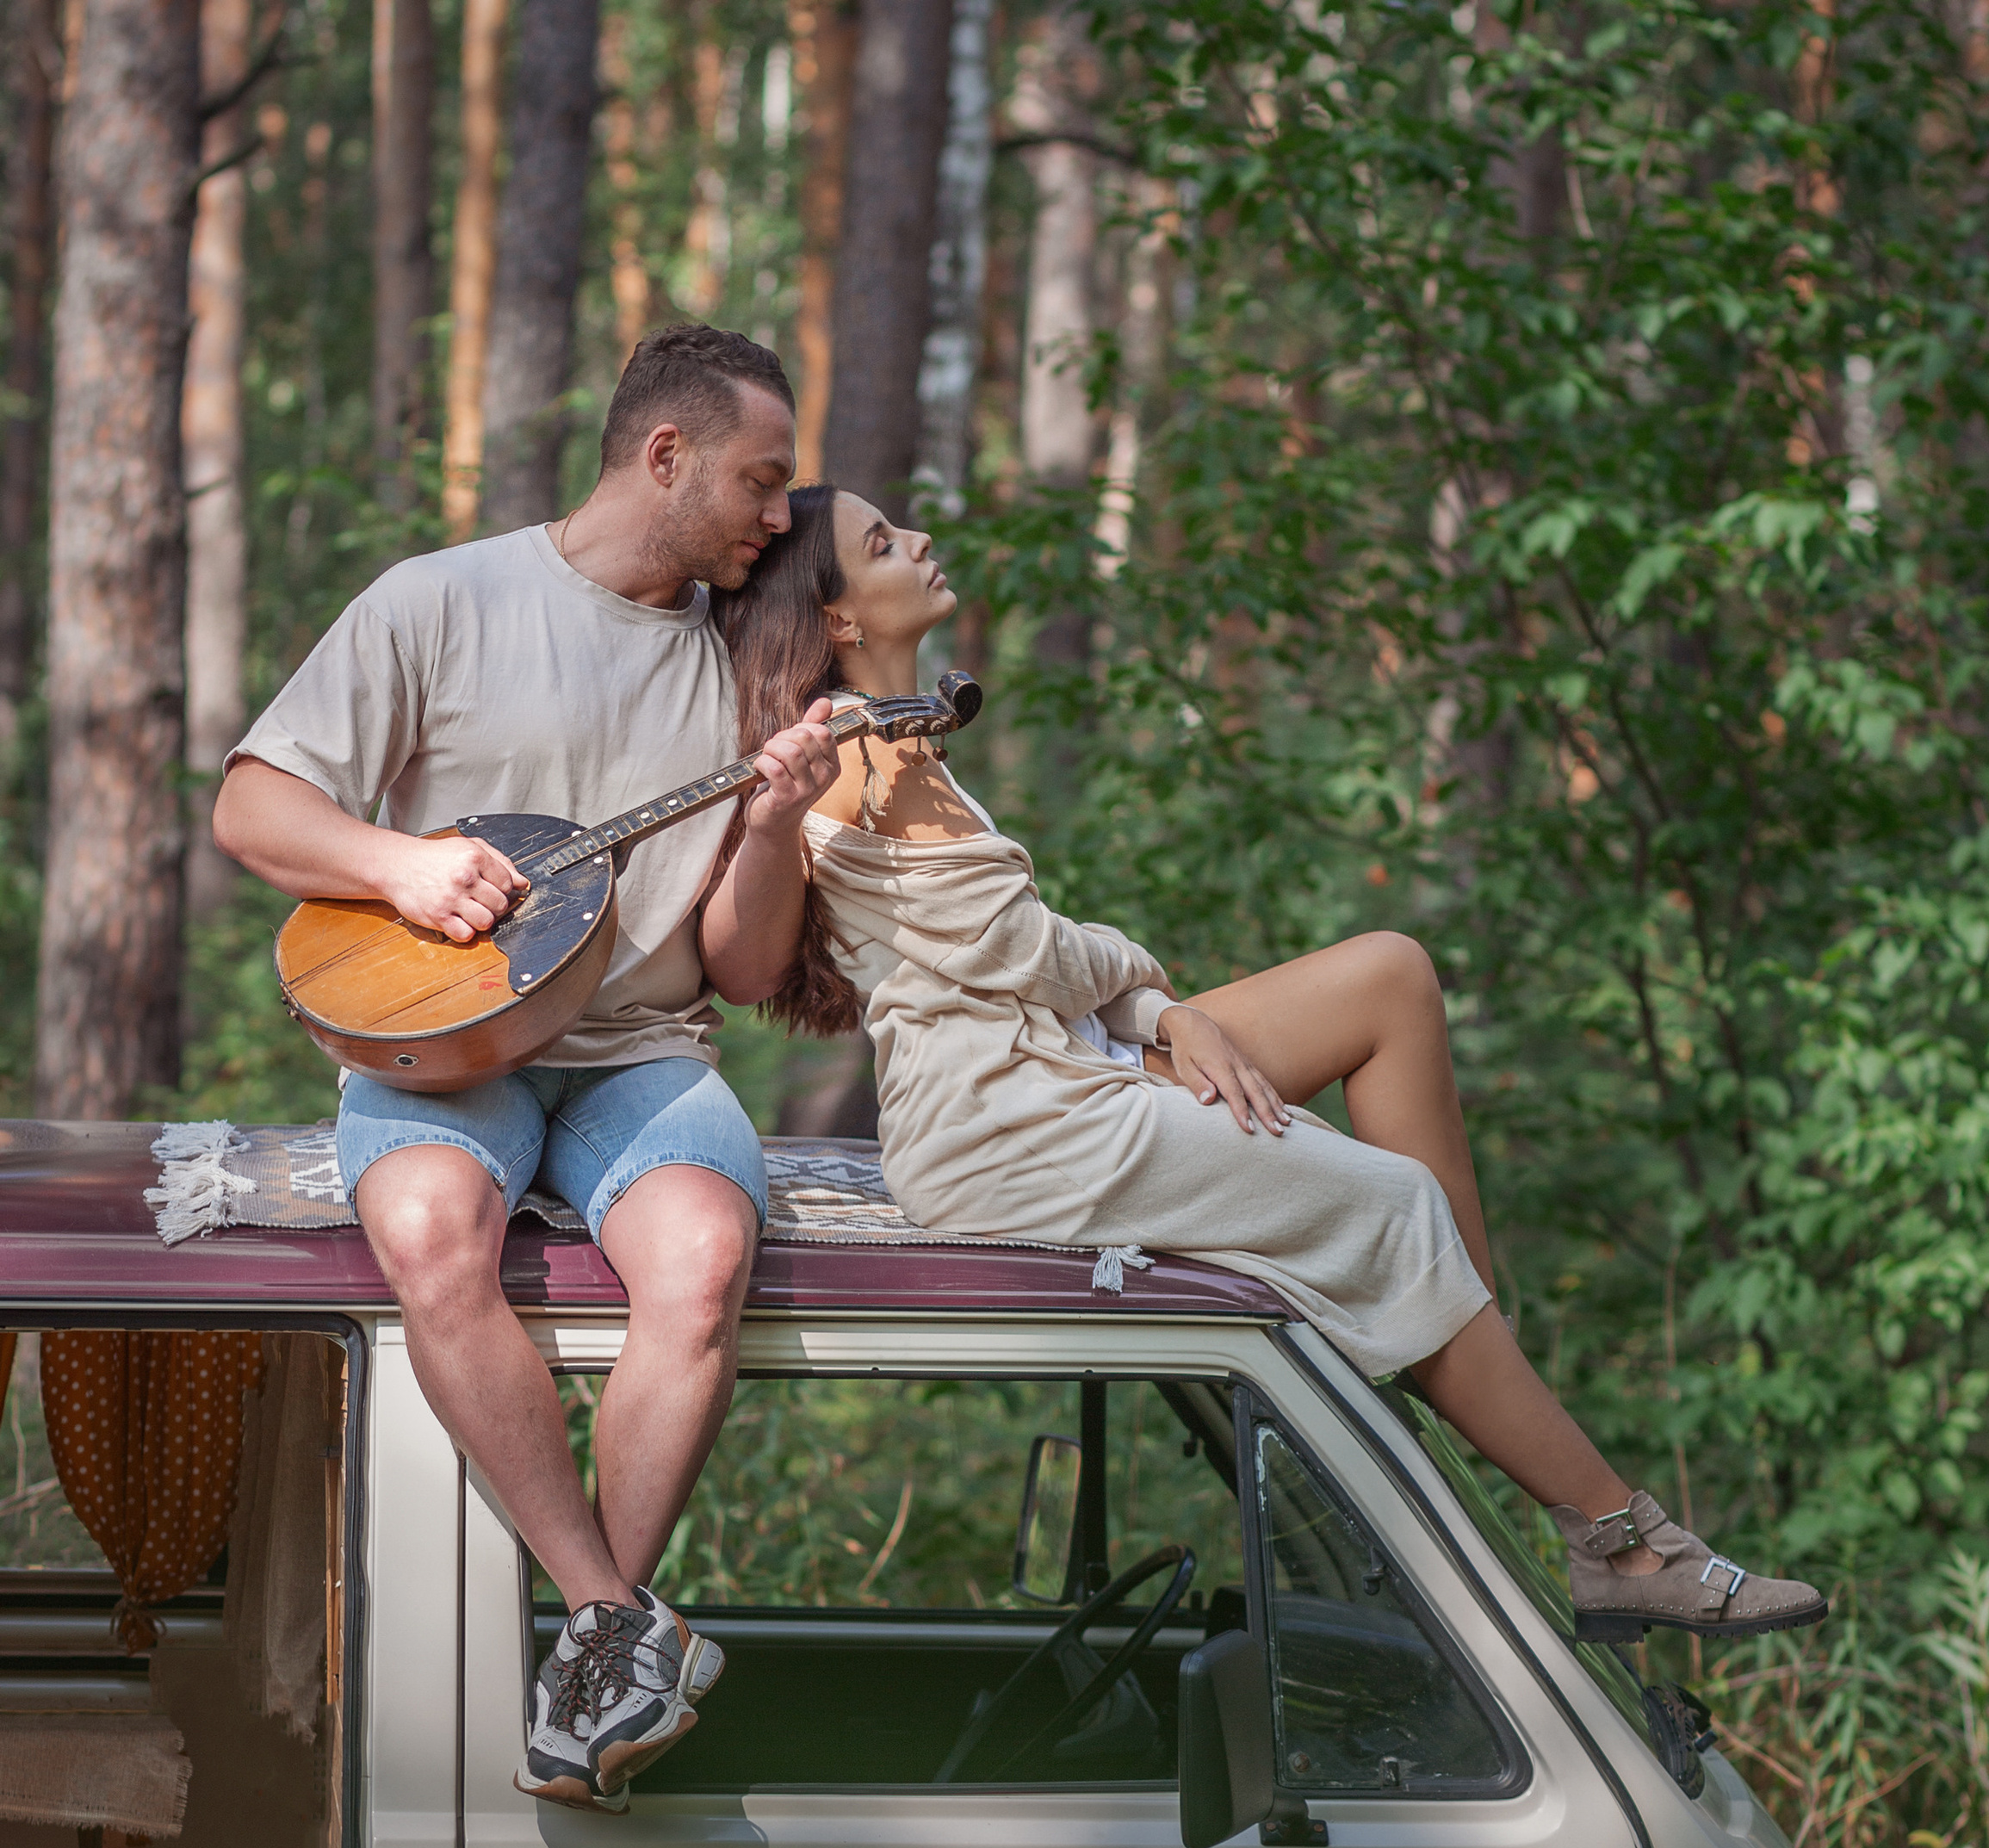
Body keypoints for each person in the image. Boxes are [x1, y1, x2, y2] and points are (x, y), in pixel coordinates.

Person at [719, 484, 1827, 1642]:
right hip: (1007, 1125)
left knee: (1388, 974)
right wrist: (1158, 998)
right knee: (1394, 1203)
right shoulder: (852, 756)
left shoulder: (899, 738)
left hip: (1055, 1064)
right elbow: (1020, 949)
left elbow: (1011, 963)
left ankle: (1469, 1365)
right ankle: (1621, 1540)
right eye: (885, 542)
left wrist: (1151, 1013)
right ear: (838, 616)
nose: (923, 540)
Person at [213, 327, 846, 1813]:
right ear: (665, 456)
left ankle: (588, 1651)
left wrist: (770, 827)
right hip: (448, 1039)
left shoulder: (746, 660)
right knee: (434, 1233)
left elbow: (748, 975)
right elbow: (254, 806)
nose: (777, 514)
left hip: (641, 1052)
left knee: (702, 1253)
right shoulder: (444, 599)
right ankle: (613, 1618)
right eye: (760, 480)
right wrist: (399, 865)